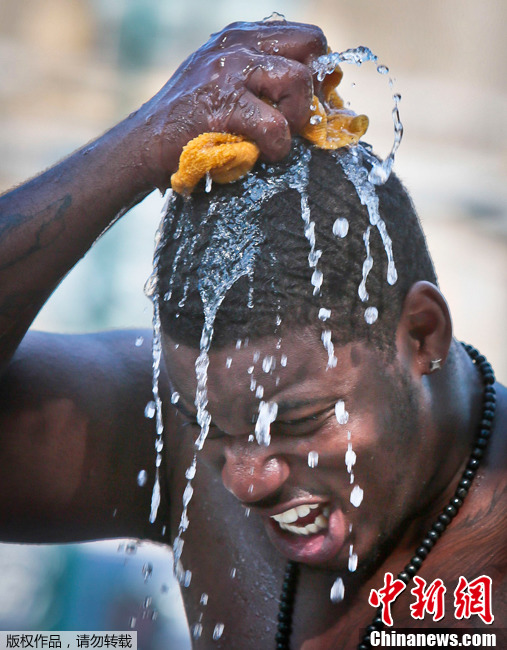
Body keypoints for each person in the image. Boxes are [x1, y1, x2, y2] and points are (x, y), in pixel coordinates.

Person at [0, 19, 505, 650]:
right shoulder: (176, 437)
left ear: (422, 336)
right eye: (209, 427)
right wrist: (135, 149)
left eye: (298, 421)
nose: (245, 480)